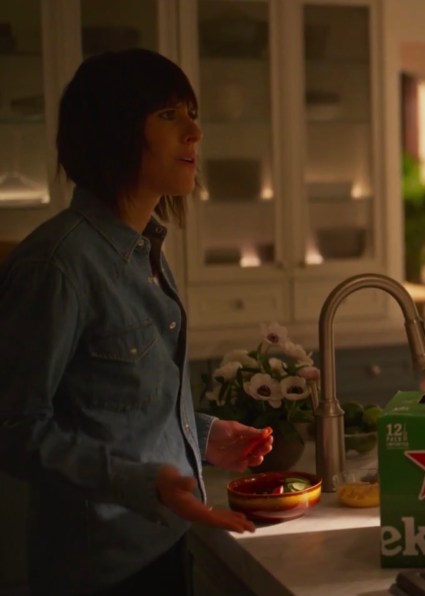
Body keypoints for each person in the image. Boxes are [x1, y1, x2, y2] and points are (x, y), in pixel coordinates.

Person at [0, 49, 271, 595]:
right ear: (113, 131)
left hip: (167, 544)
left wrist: (206, 435)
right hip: (99, 571)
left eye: (191, 113)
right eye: (169, 115)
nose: (195, 132)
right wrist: (143, 481)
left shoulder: (144, 250)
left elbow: (117, 403)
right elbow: (15, 427)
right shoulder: (59, 263)